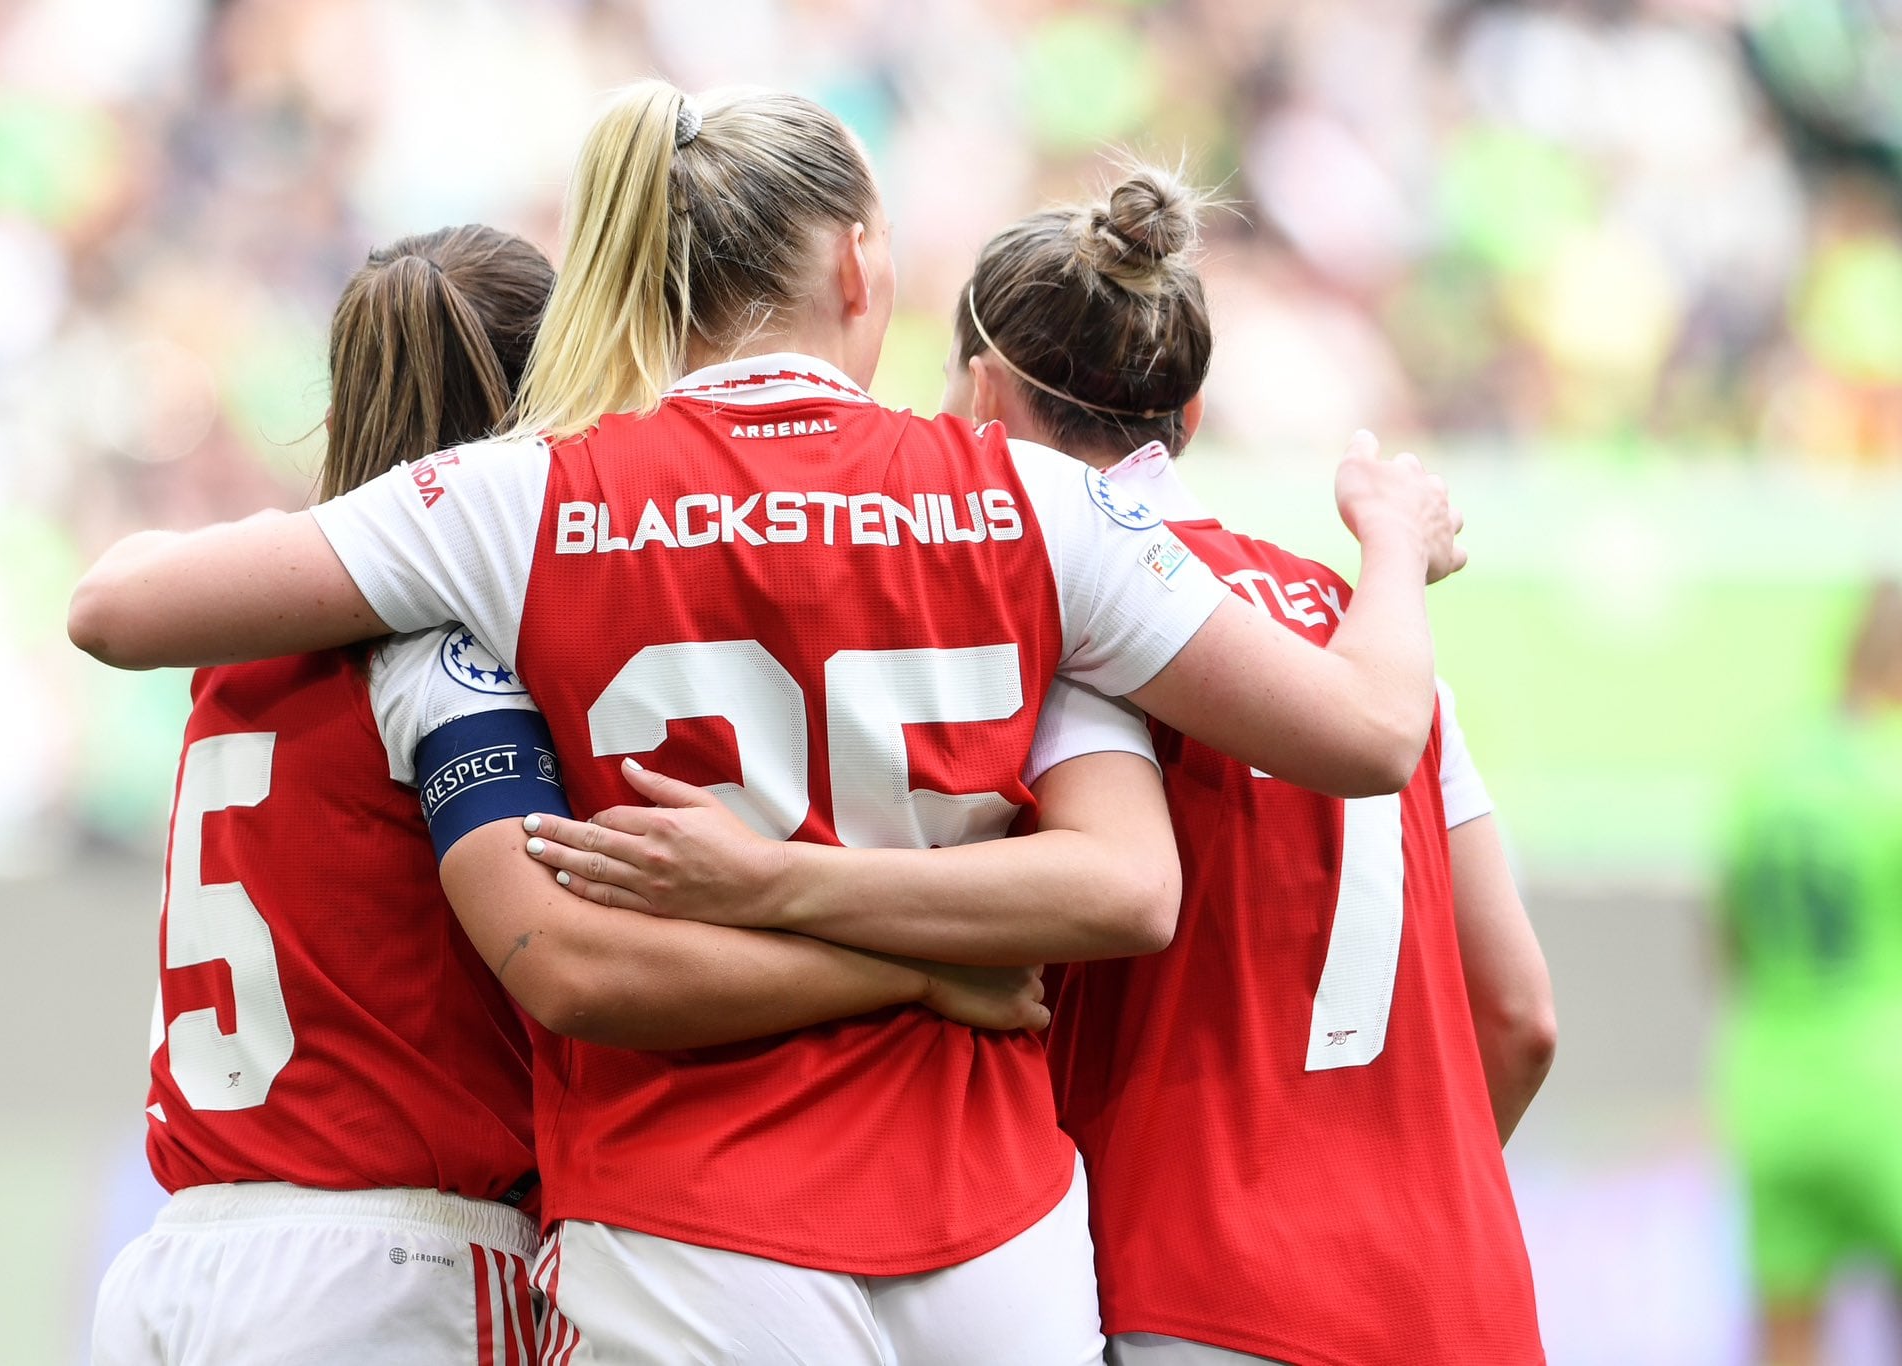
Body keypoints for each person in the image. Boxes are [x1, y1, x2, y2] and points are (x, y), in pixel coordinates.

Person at [67, 84, 1464, 1364]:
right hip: (991, 1222)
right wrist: (1391, 548)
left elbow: (120, 613)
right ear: (862, 265)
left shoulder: (521, 501)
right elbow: (1361, 736)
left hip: (686, 1216)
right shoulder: (1031, 503)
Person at [531, 165, 1554, 1365]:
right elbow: (1521, 1018)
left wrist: (765, 886)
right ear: (1189, 411)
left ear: (978, 388)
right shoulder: (1367, 646)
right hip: (1460, 1296)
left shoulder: (1050, 628)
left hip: (1195, 1286)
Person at [92, 223, 1055, 1366]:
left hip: (178, 1261)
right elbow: (567, 962)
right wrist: (918, 969)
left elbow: (114, 594)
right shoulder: (446, 652)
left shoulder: (238, 626)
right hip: (394, 1268)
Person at [1716, 580, 1902, 1366]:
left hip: (1771, 1091)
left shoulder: (1770, 769)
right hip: (1884, 1080)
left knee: (1787, 1342)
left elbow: (1728, 942)